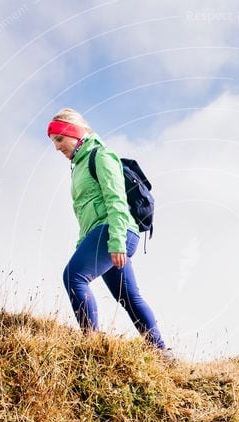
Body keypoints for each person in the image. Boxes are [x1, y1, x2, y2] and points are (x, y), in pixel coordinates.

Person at [48, 108, 171, 358]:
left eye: (59, 139)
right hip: (106, 232)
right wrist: (83, 244)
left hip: (117, 230)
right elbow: (87, 213)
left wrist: (116, 242)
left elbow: (116, 200)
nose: (57, 147)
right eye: (53, 142)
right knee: (128, 296)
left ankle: (92, 344)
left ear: (73, 133)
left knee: (74, 277)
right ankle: (161, 353)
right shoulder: (78, 166)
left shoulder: (101, 156)